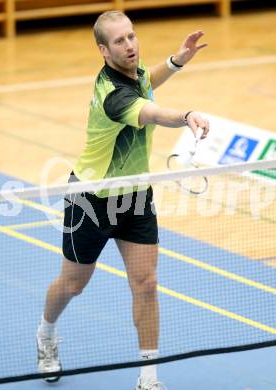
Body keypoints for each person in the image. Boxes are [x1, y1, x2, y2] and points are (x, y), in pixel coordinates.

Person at [36, 10, 209, 390]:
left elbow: (148, 84)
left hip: (134, 196)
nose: (130, 45)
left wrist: (176, 61)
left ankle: (148, 378)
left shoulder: (132, 70)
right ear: (103, 49)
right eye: (119, 41)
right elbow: (150, 111)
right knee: (72, 285)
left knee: (146, 284)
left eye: (131, 36)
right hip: (91, 200)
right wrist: (186, 115)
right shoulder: (112, 96)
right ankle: (46, 333)